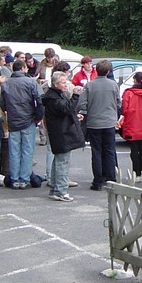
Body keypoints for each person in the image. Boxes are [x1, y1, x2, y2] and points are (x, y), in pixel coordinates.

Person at [78, 59, 121, 191]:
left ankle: (97, 181)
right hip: (109, 122)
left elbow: (82, 103)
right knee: (109, 150)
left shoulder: (90, 85)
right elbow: (119, 103)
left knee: (96, 152)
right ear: (108, 71)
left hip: (94, 122)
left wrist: (88, 112)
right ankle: (111, 178)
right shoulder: (114, 85)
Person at [0, 59, 43, 190]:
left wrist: (9, 111)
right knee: (27, 151)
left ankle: (14, 178)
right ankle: (24, 179)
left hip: (13, 120)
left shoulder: (6, 84)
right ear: (24, 68)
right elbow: (40, 100)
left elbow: (2, 103)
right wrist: (38, 116)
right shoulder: (30, 82)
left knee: (14, 151)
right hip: (28, 119)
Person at [42, 71, 84, 202]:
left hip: (60, 131)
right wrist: (76, 95)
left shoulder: (55, 96)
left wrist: (74, 115)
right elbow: (65, 109)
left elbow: (64, 111)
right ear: (56, 84)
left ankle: (55, 188)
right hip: (61, 133)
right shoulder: (53, 98)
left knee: (59, 160)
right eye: (63, 83)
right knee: (62, 162)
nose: (66, 85)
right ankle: (60, 191)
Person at [120, 71, 142, 181]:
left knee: (134, 149)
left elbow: (124, 109)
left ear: (135, 80)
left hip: (132, 122)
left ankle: (136, 173)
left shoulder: (128, 93)